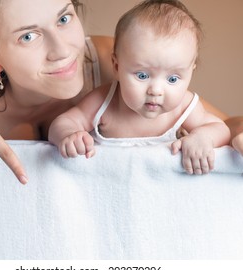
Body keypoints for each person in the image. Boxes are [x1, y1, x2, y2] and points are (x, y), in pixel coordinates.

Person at [0, 0, 242, 182]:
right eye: (28, 36)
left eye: (64, 18)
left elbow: (225, 125)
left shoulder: (107, 62)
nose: (64, 50)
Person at [48, 0, 231, 175]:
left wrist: (203, 137)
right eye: (142, 76)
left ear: (191, 71)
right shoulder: (103, 101)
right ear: (117, 66)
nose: (156, 91)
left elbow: (220, 128)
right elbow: (63, 123)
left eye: (173, 79)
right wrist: (69, 135)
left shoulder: (184, 106)